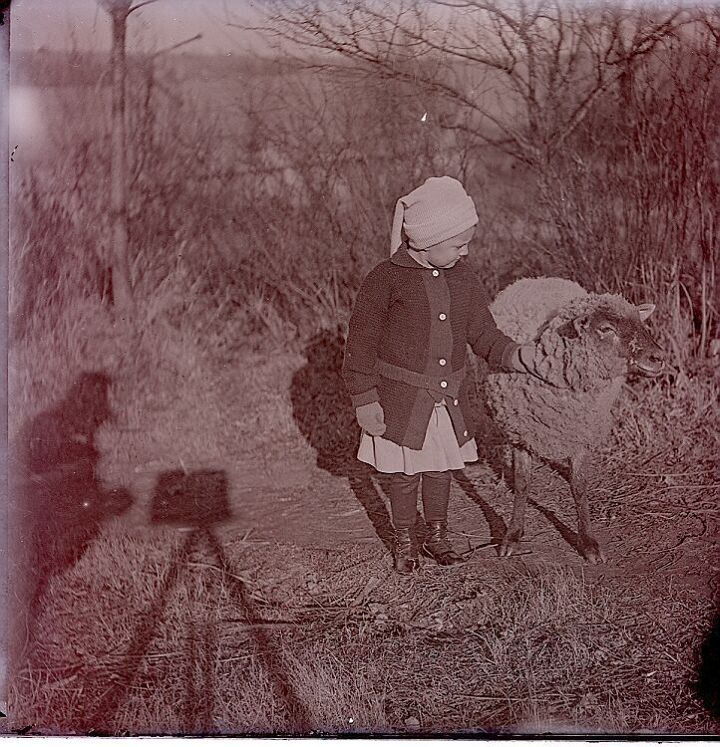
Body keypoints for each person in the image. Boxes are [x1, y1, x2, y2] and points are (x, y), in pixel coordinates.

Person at [342, 176, 542, 574]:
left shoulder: (463, 278)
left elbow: (482, 332)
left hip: (446, 400)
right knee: (402, 474)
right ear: (425, 241)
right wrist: (365, 399)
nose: (464, 251)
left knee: (439, 468)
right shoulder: (385, 279)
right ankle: (404, 538)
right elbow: (360, 344)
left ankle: (436, 534)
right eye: (457, 243)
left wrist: (514, 355)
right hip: (400, 400)